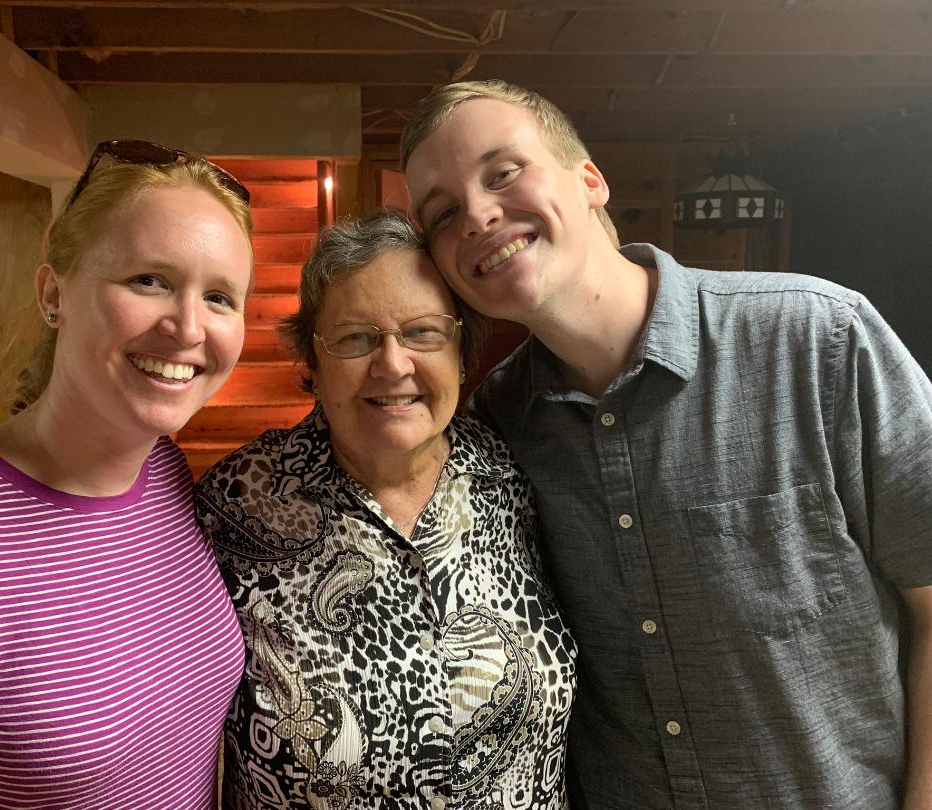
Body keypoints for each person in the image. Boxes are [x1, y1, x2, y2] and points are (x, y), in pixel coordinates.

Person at [400, 79, 932, 809]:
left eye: (504, 173)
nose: (480, 214)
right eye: (444, 213)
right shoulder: (495, 422)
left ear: (590, 181)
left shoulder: (818, 339)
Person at [0, 140, 254, 809]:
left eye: (219, 296)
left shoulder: (165, 474)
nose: (188, 326)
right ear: (52, 294)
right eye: (148, 280)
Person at [195, 211, 579, 809]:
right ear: (312, 364)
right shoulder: (236, 502)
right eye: (354, 338)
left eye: (423, 333)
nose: (393, 364)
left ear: (462, 349)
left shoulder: (518, 474)